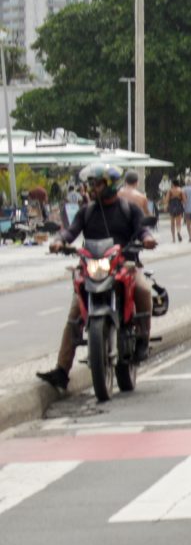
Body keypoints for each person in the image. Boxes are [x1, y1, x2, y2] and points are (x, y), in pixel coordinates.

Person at [35, 163, 157, 394]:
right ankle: (62, 371)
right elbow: (70, 231)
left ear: (110, 185)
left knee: (143, 290)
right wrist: (59, 241)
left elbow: (143, 230)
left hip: (125, 264)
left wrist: (148, 239)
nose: (93, 188)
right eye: (91, 184)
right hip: (93, 267)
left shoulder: (128, 209)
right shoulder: (87, 211)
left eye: (97, 183)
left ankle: (142, 339)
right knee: (74, 314)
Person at [166, 178, 186, 242]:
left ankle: (173, 238)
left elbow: (166, 200)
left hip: (172, 206)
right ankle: (178, 232)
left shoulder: (170, 191)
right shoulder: (181, 190)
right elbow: (184, 200)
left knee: (172, 223)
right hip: (179, 206)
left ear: (173, 184)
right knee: (178, 222)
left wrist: (166, 205)